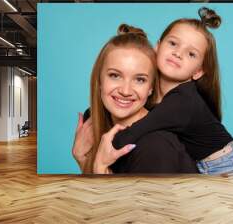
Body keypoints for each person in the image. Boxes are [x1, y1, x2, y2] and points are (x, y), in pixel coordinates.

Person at [112, 7, 233, 175]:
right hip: (200, 163)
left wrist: (101, 150)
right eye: (173, 43)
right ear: (157, 47)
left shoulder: (182, 101)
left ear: (198, 71)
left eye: (191, 54)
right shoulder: (153, 95)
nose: (178, 53)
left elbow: (126, 138)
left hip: (226, 166)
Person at [72, 24, 198, 174]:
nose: (125, 91)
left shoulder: (155, 147)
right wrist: (82, 158)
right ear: (99, 80)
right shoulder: (94, 122)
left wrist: (100, 168)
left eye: (139, 80)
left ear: (151, 87)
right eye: (115, 75)